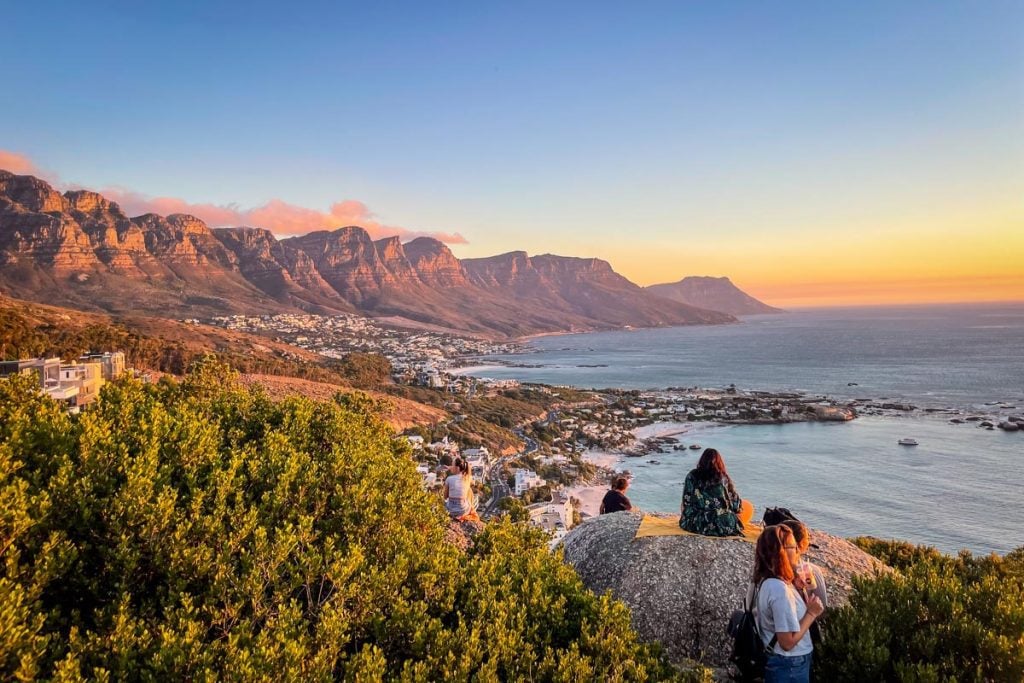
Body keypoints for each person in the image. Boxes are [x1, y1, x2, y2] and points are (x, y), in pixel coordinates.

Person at [751, 524, 825, 682]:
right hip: (789, 664)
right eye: (793, 547)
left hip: (787, 663)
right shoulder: (779, 590)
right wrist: (811, 613)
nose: (798, 551)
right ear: (781, 552)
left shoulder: (772, 580)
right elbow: (787, 642)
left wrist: (797, 589)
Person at [679, 448, 754, 536]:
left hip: (696, 523)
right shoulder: (723, 478)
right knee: (747, 507)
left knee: (685, 506)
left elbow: (686, 501)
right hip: (722, 523)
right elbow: (735, 504)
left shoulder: (691, 475)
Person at [781, 519, 828, 611]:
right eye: (807, 538)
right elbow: (821, 607)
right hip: (801, 622)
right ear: (800, 546)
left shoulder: (763, 569)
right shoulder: (811, 570)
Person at [443, 457, 479, 522]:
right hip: (463, 511)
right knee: (469, 490)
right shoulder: (467, 478)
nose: (451, 466)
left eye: (452, 465)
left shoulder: (449, 479)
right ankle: (470, 507)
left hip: (450, 511)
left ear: (457, 468)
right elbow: (473, 482)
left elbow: (445, 497)